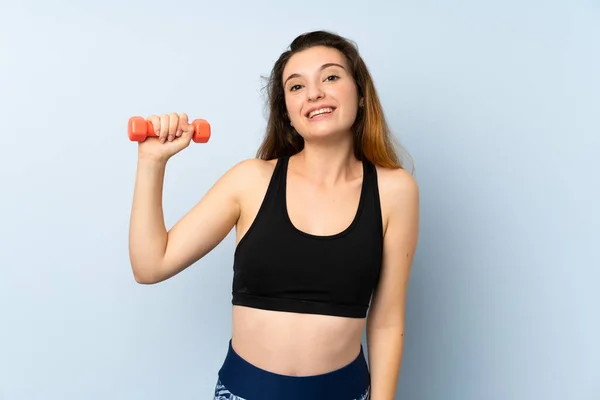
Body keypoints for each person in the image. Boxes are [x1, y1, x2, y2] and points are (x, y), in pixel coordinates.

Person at [128, 30, 419, 400]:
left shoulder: (395, 191)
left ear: (361, 95)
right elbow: (150, 265)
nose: (314, 93)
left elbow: (387, 320)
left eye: (330, 77)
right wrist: (151, 162)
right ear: (287, 112)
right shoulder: (250, 181)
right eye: (296, 87)